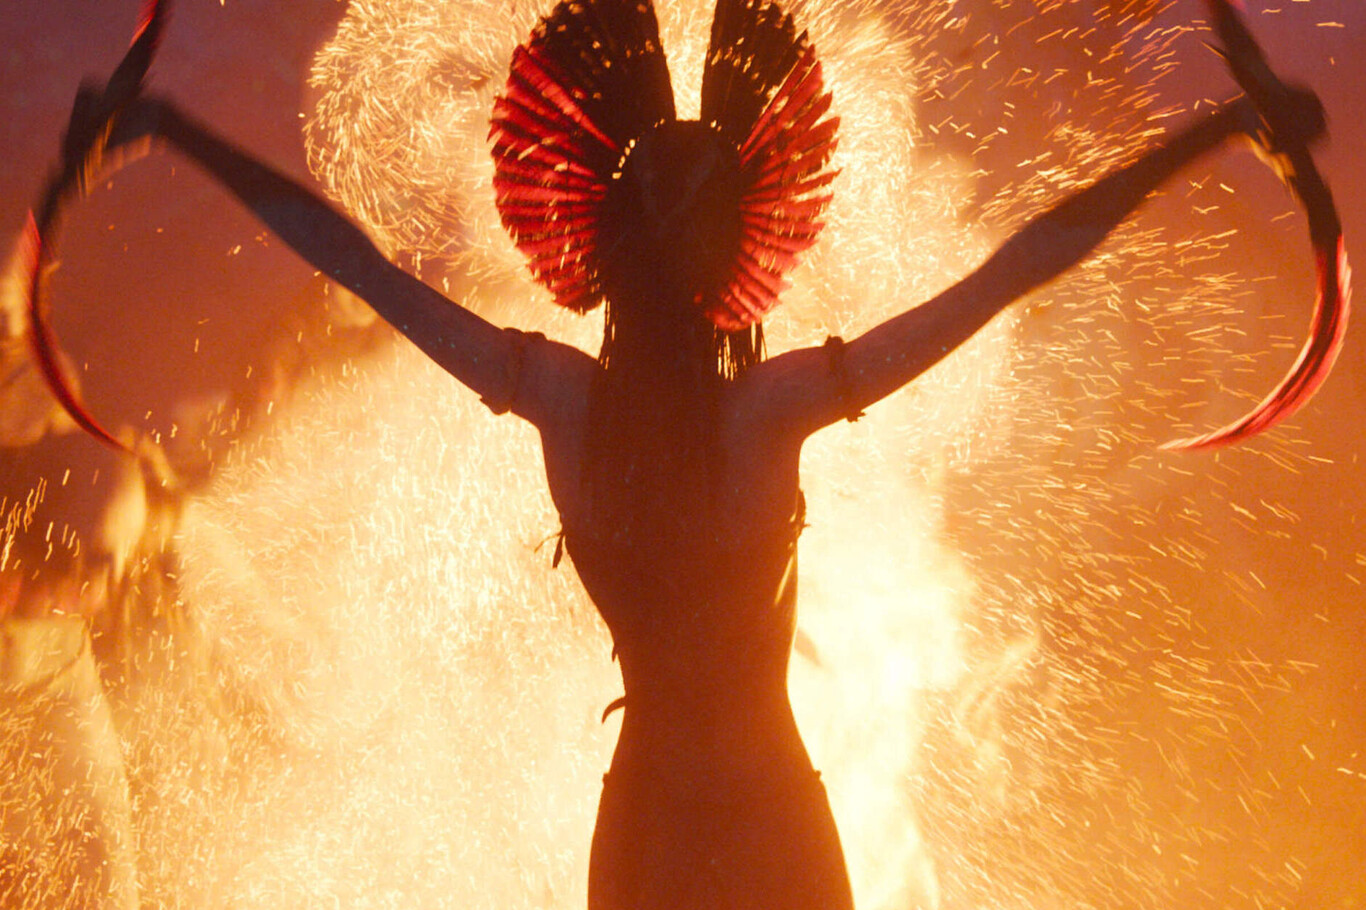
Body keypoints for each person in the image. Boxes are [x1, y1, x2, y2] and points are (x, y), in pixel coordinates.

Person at [31, 0, 1334, 907]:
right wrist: (1211, 133)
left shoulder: (573, 397)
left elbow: (355, 264)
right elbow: (1013, 270)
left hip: (664, 821)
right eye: (690, 184)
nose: (699, 200)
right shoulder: (759, 405)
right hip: (747, 816)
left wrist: (169, 132)